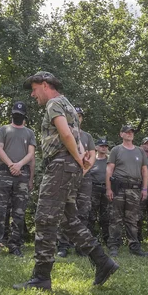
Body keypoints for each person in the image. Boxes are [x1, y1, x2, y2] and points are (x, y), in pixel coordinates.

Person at [14, 72, 117, 290]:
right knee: (69, 220)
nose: (33, 95)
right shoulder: (68, 105)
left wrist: (79, 159)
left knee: (45, 218)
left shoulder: (53, 104)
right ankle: (102, 261)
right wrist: (81, 162)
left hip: (61, 164)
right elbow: (75, 137)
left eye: (34, 89)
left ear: (45, 85)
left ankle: (41, 277)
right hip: (70, 166)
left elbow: (67, 136)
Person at [0, 101, 36, 258]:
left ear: (24, 116)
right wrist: (11, 165)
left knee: (19, 212)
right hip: (4, 174)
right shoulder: (4, 129)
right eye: (15, 114)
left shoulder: (29, 133)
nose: (17, 116)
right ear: (12, 114)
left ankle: (15, 245)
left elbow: (31, 154)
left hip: (22, 175)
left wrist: (24, 171)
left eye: (20, 115)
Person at [106, 125, 148, 257]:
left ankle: (134, 246)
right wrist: (109, 189)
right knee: (115, 218)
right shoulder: (116, 150)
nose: (130, 134)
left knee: (132, 219)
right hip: (118, 188)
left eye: (131, 132)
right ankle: (114, 246)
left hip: (134, 188)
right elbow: (109, 170)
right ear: (121, 134)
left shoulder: (139, 151)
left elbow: (145, 171)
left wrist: (144, 188)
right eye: (127, 132)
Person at [57, 107, 96, 257]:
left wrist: (83, 171)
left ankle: (82, 246)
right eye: (75, 116)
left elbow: (92, 155)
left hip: (84, 178)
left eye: (80, 116)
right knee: (66, 210)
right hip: (68, 175)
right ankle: (63, 245)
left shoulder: (87, 137)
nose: (78, 118)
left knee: (84, 211)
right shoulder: (64, 133)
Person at [88, 138, 111, 243]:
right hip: (94, 189)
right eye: (102, 146)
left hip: (107, 189)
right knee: (91, 215)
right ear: (96, 147)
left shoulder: (110, 160)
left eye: (106, 146)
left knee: (106, 216)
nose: (104, 148)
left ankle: (107, 239)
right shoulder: (92, 159)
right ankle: (90, 239)